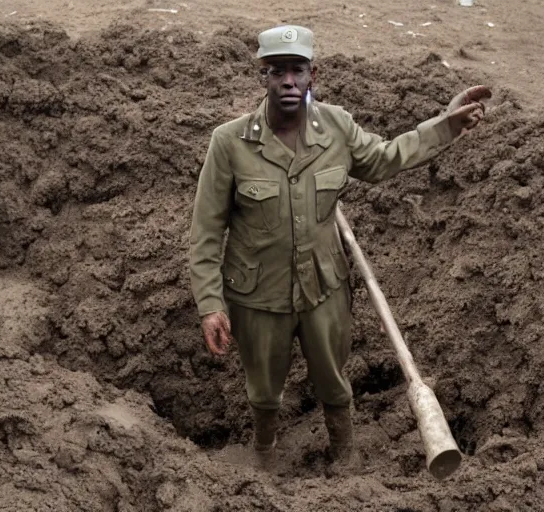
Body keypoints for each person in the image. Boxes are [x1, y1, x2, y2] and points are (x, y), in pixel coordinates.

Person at [188, 25, 490, 463]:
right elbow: (206, 231)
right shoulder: (229, 142)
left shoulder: (337, 127)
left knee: (333, 381)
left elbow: (387, 158)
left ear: (314, 74)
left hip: (324, 289)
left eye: (298, 71)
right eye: (277, 72)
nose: (288, 81)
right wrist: (210, 303)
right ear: (264, 77)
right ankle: (264, 452)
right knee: (264, 389)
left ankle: (344, 455)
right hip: (256, 294)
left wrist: (447, 125)